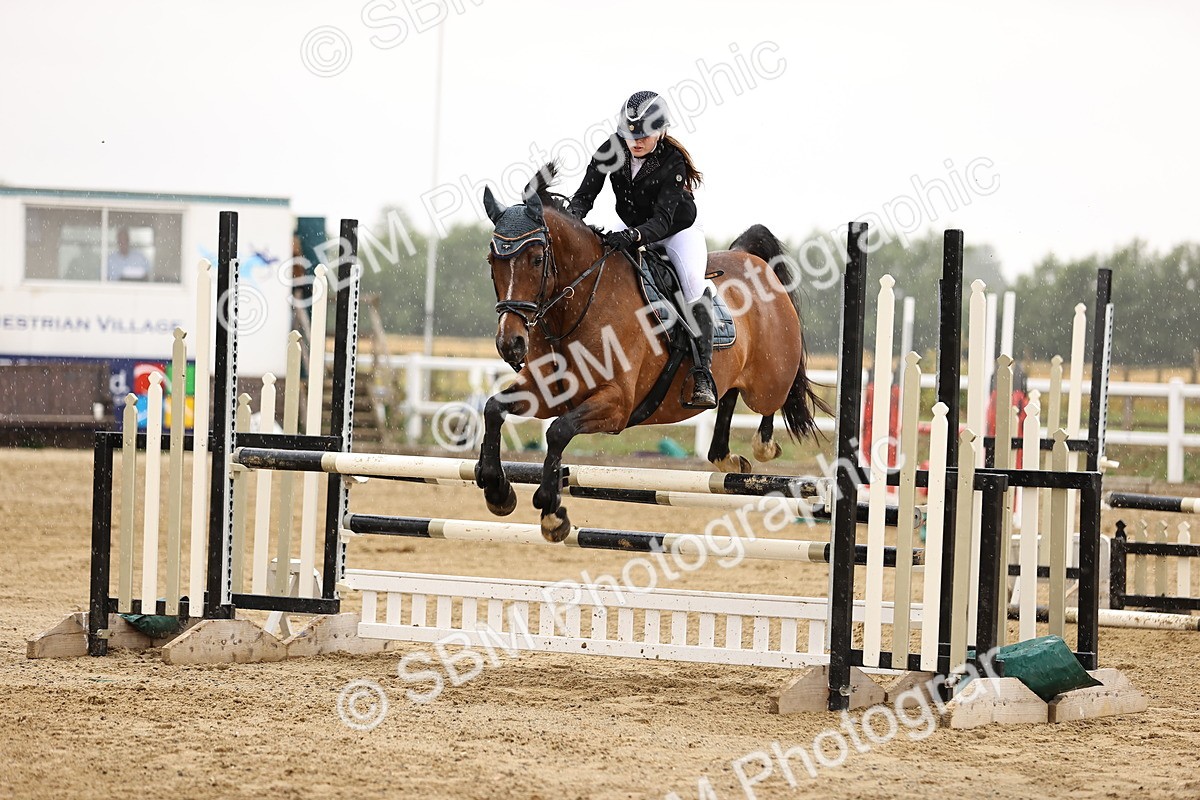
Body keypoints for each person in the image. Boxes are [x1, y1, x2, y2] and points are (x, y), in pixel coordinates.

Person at [568, 90, 716, 409]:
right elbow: (584, 197)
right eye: (630, 134)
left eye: (643, 136)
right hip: (634, 227)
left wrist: (633, 235)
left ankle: (703, 373)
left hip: (677, 232)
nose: (636, 141)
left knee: (691, 284)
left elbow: (662, 222)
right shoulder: (612, 148)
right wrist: (568, 220)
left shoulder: (672, 162)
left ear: (660, 131)